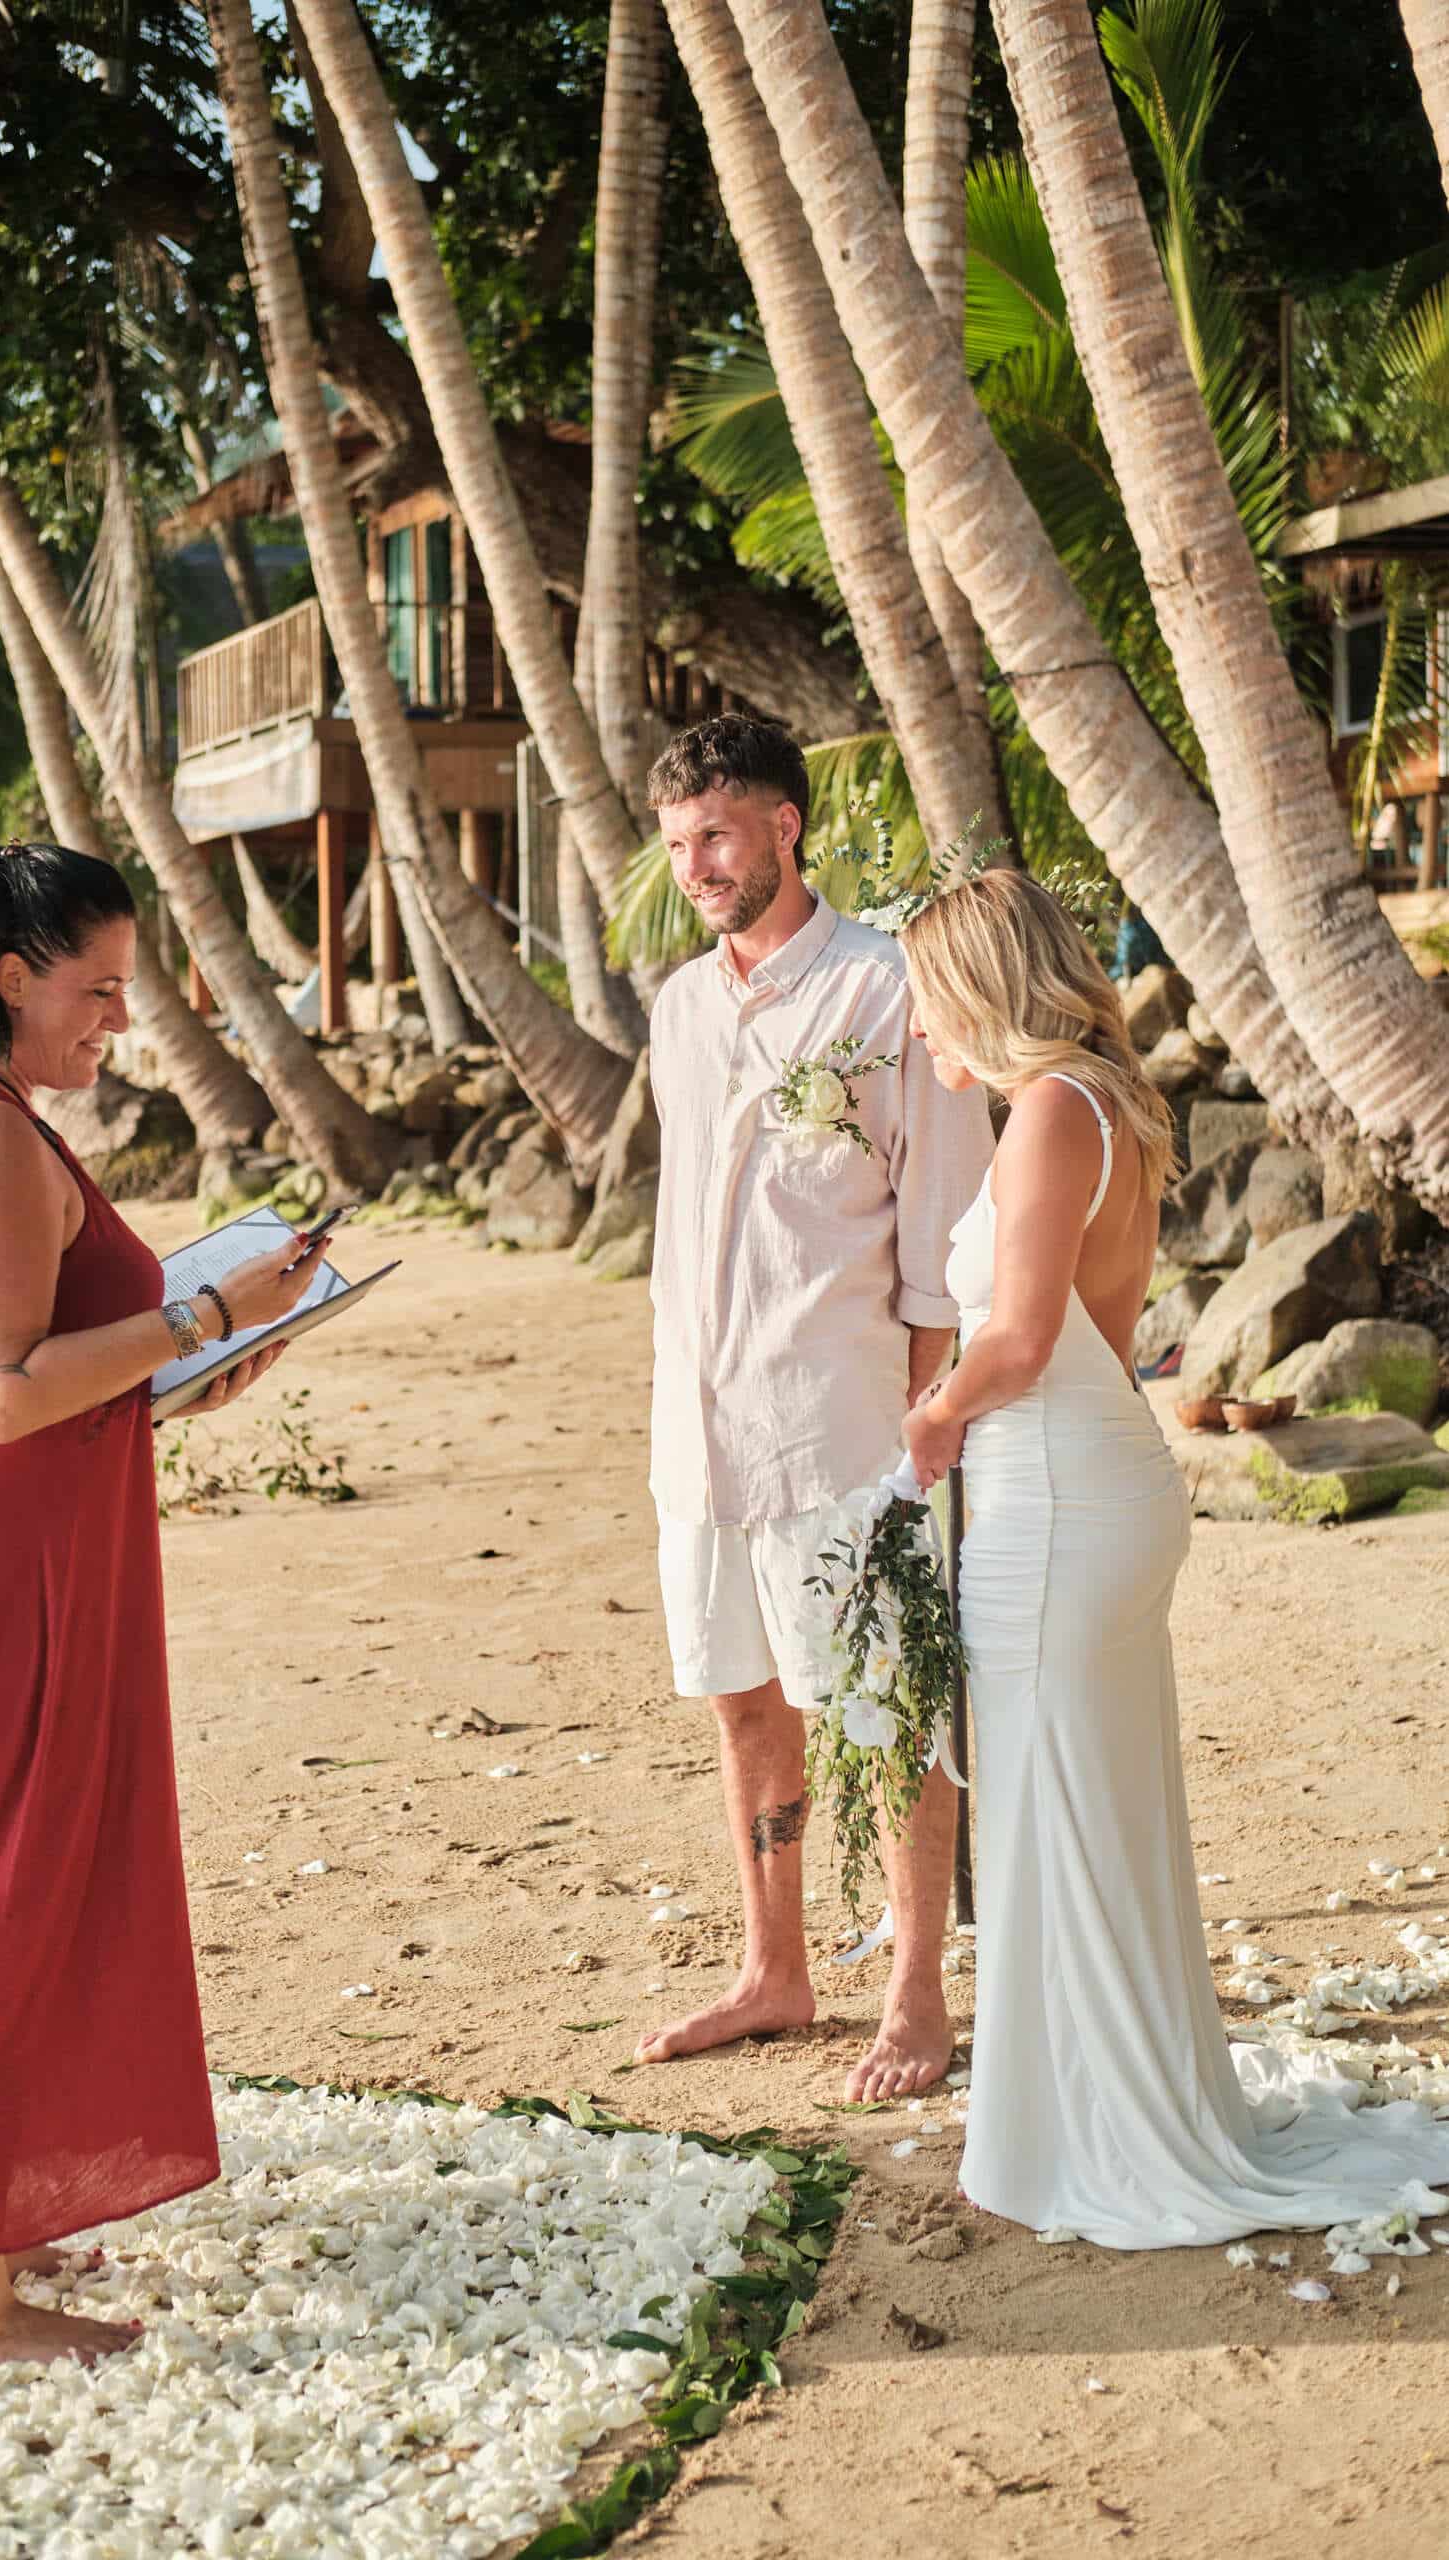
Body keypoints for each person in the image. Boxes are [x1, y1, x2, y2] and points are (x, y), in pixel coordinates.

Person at [0, 841, 326, 2370]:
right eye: (97, 990)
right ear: (15, 976)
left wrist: (185, 1375)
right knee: (2, 1902)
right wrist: (204, 1313)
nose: (119, 1020)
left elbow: (34, 1378)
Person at [899, 869, 1449, 2243]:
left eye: (922, 999)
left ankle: (1097, 2122)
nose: (915, 1031)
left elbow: (1019, 1340)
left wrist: (927, 1418)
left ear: (978, 988)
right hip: (1095, 1486)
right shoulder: (1103, 1104)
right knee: (1089, 1801)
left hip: (1059, 1505)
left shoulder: (1046, 1120)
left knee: (1056, 1810)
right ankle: (1103, 2087)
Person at [638, 717, 993, 2096]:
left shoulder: (885, 989)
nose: (699, 867)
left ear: (786, 825)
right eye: (678, 846)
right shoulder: (677, 1008)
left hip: (841, 1416)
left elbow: (942, 1228)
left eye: (718, 835)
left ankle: (916, 1991)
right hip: (699, 1423)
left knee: (884, 1708)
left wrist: (922, 1424)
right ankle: (774, 1971)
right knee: (742, 1700)